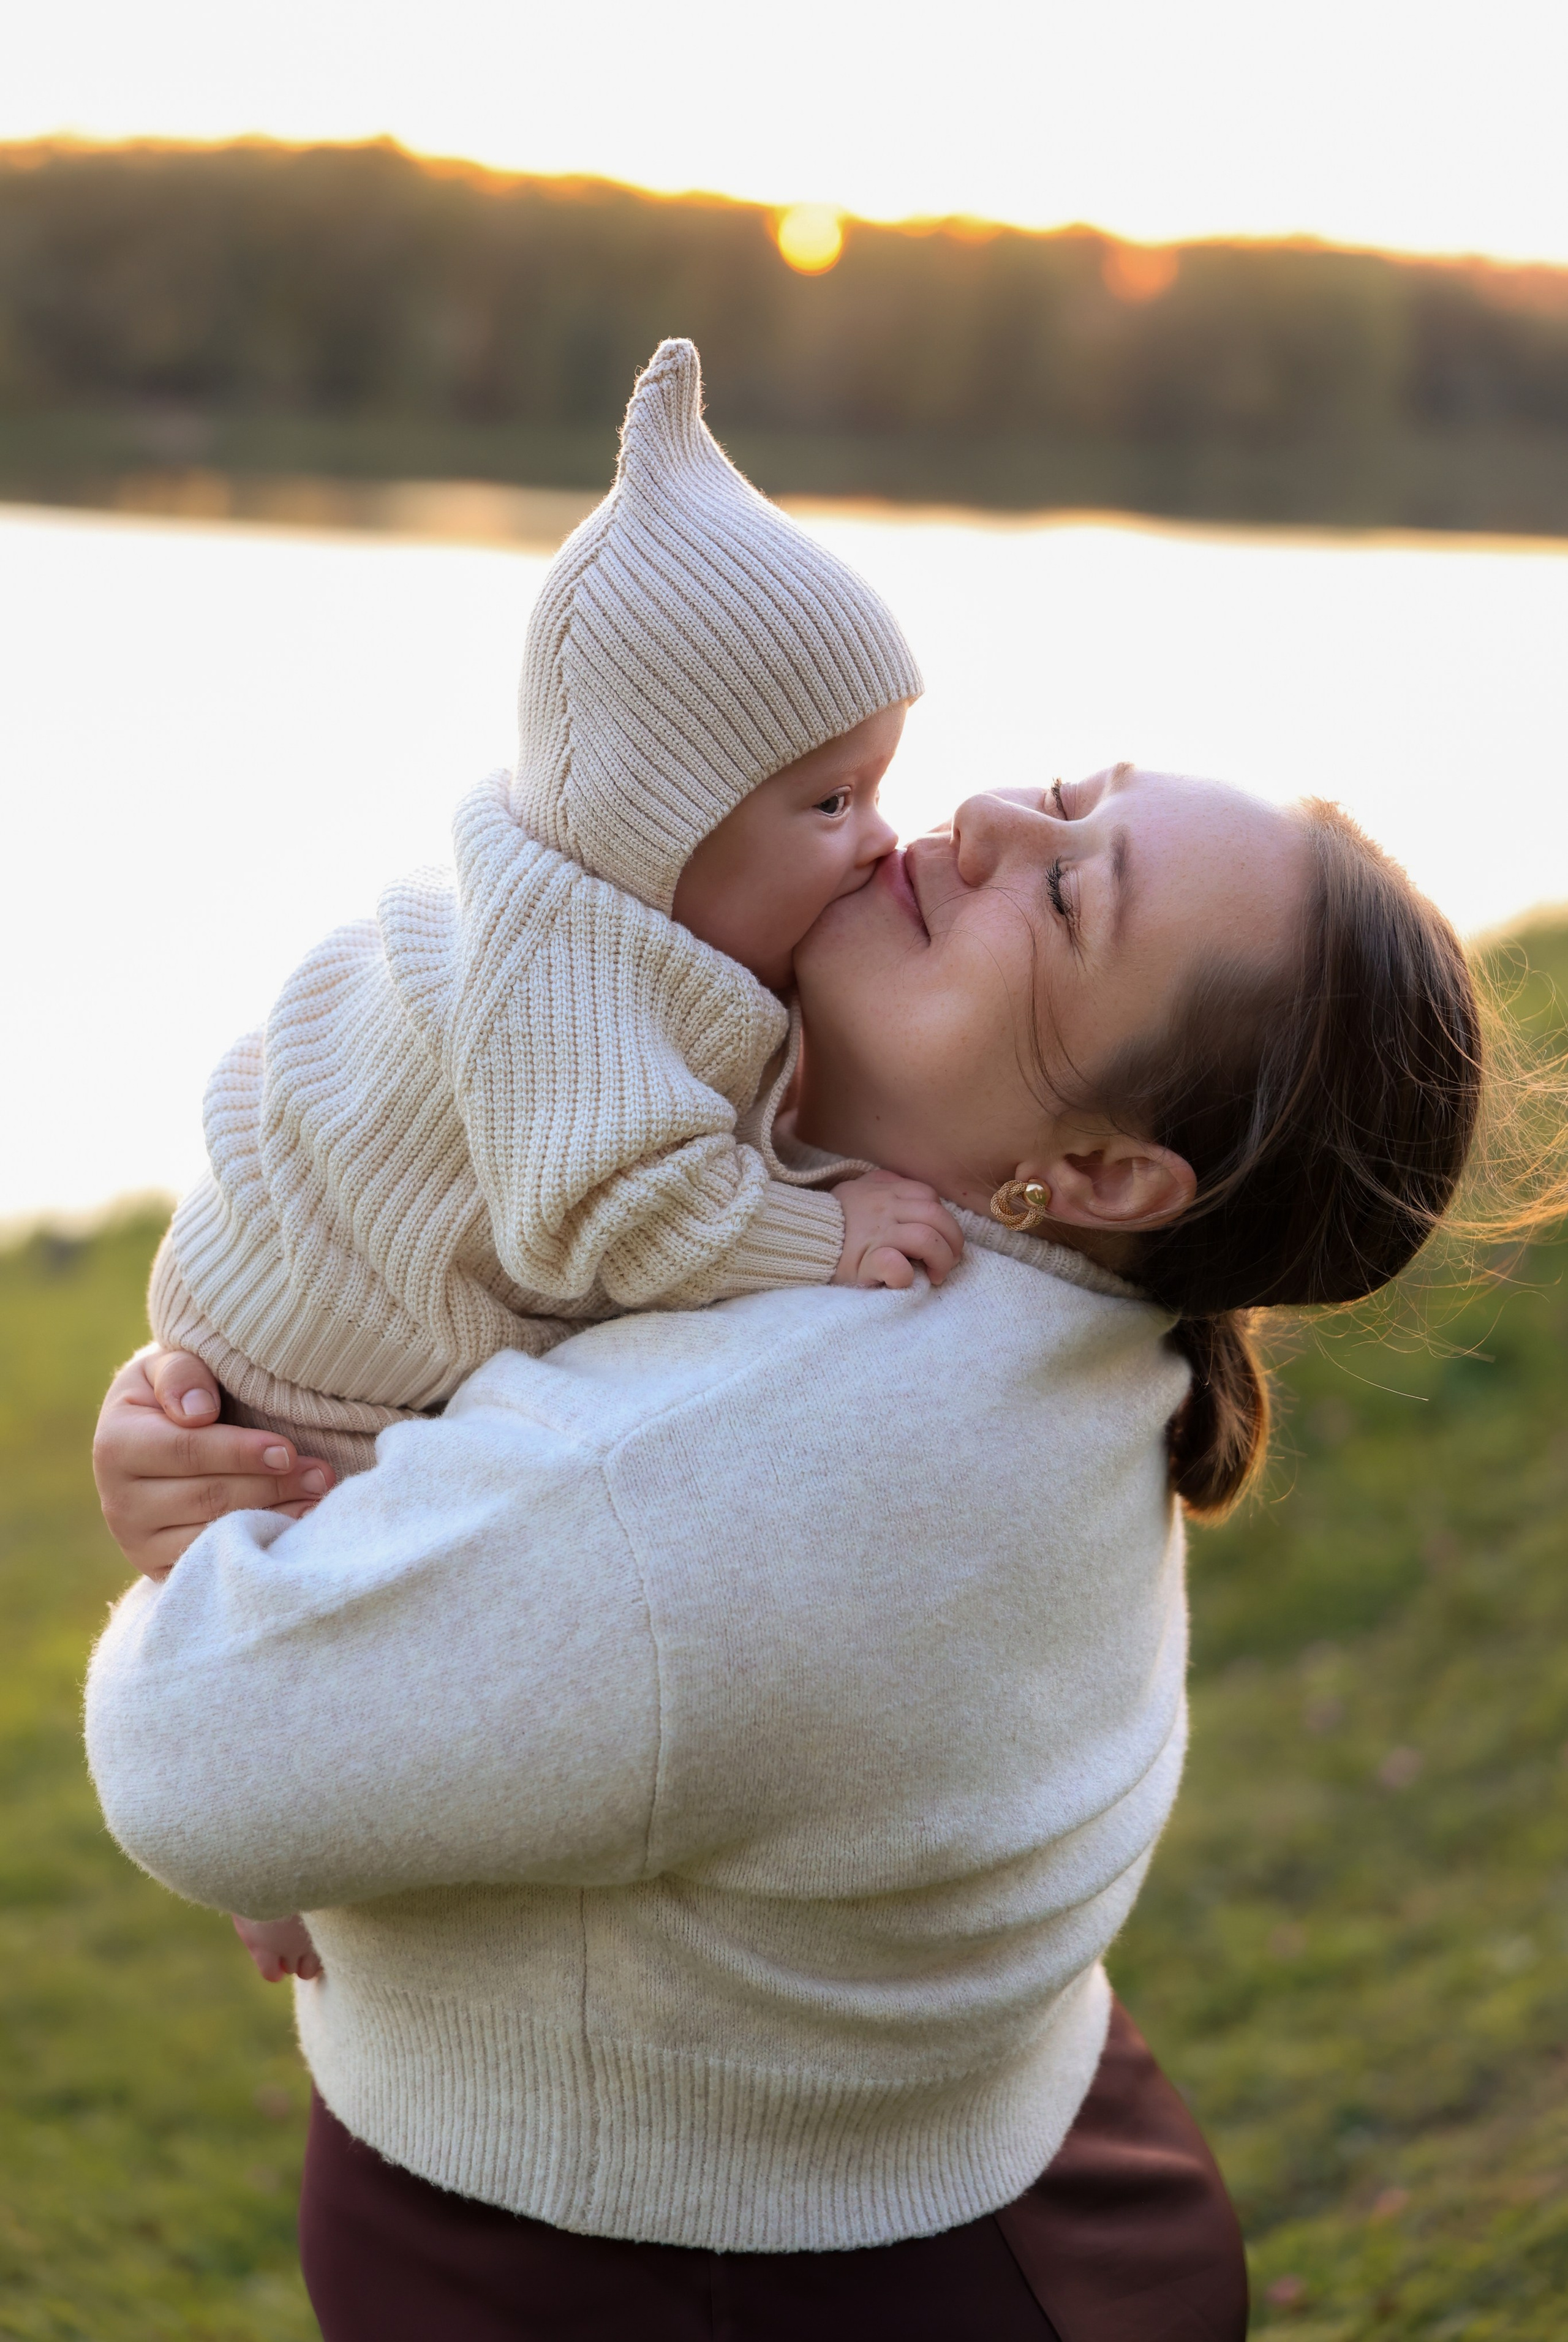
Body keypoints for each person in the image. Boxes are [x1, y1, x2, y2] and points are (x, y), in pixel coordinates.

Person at [88, 745, 1499, 2337]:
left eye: (1066, 897)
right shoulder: (1015, 1294)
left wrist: (204, 1539)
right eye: (1065, 796)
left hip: (685, 2273)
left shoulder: (754, 1460)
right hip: (981, 2165)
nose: (987, 822)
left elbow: (194, 1756)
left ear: (1103, 1172)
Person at [148, 335, 954, 1501]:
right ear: (657, 829)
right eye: (834, 802)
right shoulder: (559, 975)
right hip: (308, 1374)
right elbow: (620, 1212)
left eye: (876, 789)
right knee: (443, 1532)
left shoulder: (659, 928)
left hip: (318, 1309)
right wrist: (824, 1237)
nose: (881, 835)